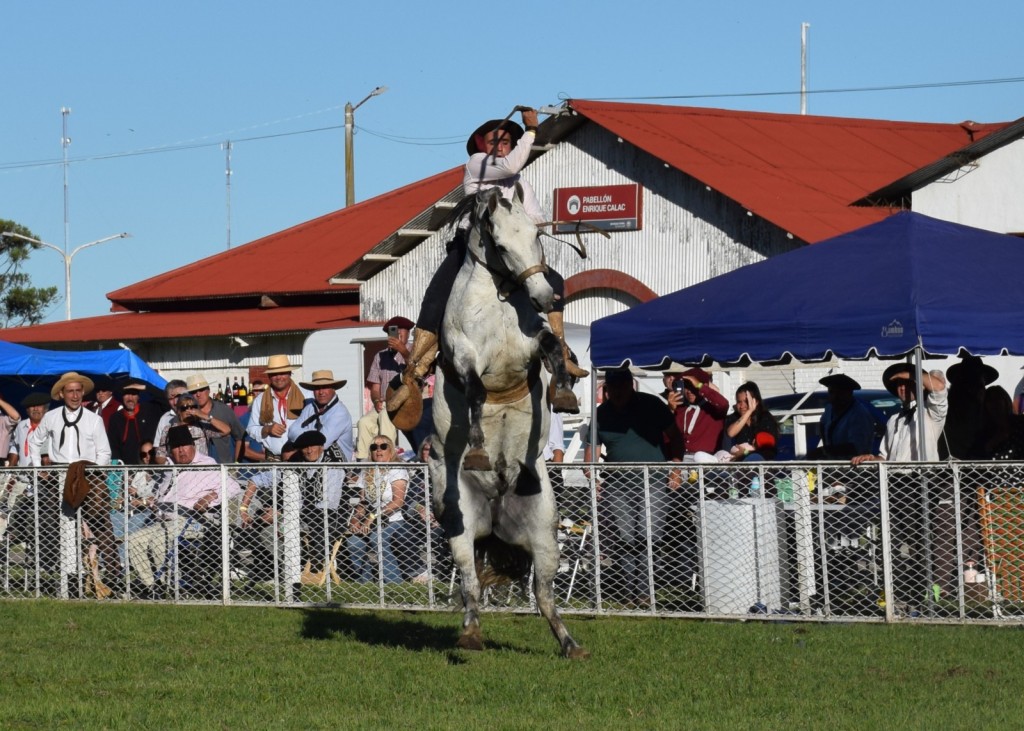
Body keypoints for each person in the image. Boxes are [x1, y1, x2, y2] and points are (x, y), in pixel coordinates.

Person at [387, 108, 587, 427]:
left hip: (510, 251)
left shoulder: (521, 186)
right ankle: (416, 370)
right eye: (495, 140)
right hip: (472, 246)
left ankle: (560, 356)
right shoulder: (477, 164)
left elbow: (534, 217)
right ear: (483, 144)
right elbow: (510, 164)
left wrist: (528, 228)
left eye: (507, 141)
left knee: (554, 281)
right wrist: (532, 130)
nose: (501, 146)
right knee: (438, 294)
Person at [583, 369, 679, 606]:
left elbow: (675, 437)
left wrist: (675, 469)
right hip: (617, 486)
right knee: (626, 538)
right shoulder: (601, 415)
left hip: (654, 481)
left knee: (650, 536)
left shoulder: (652, 404)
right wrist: (593, 477)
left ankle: (646, 592)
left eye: (619, 387)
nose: (615, 392)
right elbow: (591, 455)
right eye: (611, 388)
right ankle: (629, 592)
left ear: (630, 385)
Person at [126, 425, 242, 599]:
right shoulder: (170, 467)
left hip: (193, 520)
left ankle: (170, 589)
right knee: (133, 540)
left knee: (159, 541)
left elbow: (234, 487)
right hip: (163, 519)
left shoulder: (206, 465)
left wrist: (211, 497)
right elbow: (162, 493)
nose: (180, 451)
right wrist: (150, 501)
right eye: (176, 447)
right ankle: (152, 586)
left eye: (184, 446)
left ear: (192, 446)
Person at [28, 372, 112, 597]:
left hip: (88, 476)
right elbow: (34, 441)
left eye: (78, 391)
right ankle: (68, 585)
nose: (74, 395)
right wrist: (39, 469)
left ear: (83, 393)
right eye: (70, 391)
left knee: (92, 530)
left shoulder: (94, 419)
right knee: (66, 530)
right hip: (61, 475)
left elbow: (104, 452)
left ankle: (95, 579)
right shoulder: (51, 417)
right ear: (62, 394)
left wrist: (94, 474)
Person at [346, 434, 408, 584]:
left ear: (390, 450)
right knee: (354, 542)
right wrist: (355, 519)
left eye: (383, 446)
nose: (378, 450)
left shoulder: (397, 469)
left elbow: (397, 502)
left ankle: (394, 583)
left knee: (377, 538)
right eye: (374, 447)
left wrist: (372, 517)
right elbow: (363, 503)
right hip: (370, 520)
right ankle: (364, 582)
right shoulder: (367, 471)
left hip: (393, 520)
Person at [356, 317, 410, 459]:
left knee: (386, 416)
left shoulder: (413, 350)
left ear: (408, 333)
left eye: (400, 333)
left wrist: (403, 351)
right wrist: (375, 401)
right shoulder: (380, 356)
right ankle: (363, 462)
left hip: (407, 402)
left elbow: (417, 370)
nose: (396, 336)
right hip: (384, 402)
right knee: (364, 422)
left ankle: (389, 460)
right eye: (392, 333)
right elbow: (375, 387)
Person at [245, 355, 307, 461]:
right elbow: (251, 429)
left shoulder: (305, 396)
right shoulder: (260, 400)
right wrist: (267, 429)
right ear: (269, 376)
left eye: (282, 373)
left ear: (289, 374)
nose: (279, 377)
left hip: (301, 457)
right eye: (274, 374)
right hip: (273, 459)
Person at [289, 370, 354, 462]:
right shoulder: (309, 408)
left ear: (333, 389)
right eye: (317, 388)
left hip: (336, 466)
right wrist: (311, 436)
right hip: (309, 462)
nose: (321, 392)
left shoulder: (340, 412)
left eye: (325, 387)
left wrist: (303, 437)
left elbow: (323, 442)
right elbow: (292, 432)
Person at [941, 355, 997, 460]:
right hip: (955, 465)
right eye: (978, 385)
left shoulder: (986, 411)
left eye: (981, 385)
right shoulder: (952, 410)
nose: (981, 390)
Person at [667, 368, 729, 460]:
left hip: (706, 461)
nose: (690, 391)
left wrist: (700, 386)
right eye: (687, 387)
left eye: (693, 387)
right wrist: (670, 411)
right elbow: (667, 437)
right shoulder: (680, 410)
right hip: (681, 461)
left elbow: (724, 404)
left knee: (699, 457)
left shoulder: (713, 408)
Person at [812, 374, 876, 459]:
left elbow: (857, 448)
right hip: (833, 463)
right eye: (831, 392)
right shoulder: (829, 408)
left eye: (840, 393)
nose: (835, 396)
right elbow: (823, 425)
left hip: (854, 465)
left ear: (849, 393)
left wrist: (825, 450)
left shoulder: (859, 414)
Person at [188, 374, 246, 463]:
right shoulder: (188, 414)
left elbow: (240, 437)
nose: (198, 394)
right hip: (199, 469)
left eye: (201, 390)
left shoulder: (224, 410)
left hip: (224, 467)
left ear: (208, 390)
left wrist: (236, 464)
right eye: (194, 392)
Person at [154, 393, 227, 463]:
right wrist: (170, 464)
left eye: (193, 407)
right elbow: (160, 455)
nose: (189, 410)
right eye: (185, 407)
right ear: (179, 411)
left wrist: (205, 416)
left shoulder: (202, 426)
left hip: (201, 470)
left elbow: (226, 430)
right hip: (179, 471)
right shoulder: (168, 429)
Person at [106, 379, 161, 465]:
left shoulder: (149, 410)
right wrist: (118, 470)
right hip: (125, 469)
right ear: (122, 397)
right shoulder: (115, 418)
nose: (130, 398)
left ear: (138, 396)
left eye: (133, 394)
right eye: (127, 394)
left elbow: (165, 400)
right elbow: (113, 447)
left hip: (149, 467)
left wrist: (145, 387)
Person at [724, 381, 779, 461]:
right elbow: (731, 433)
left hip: (761, 464)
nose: (742, 406)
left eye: (746, 401)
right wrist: (749, 411)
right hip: (737, 463)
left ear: (755, 402)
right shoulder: (734, 418)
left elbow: (766, 450)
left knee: (753, 458)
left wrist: (746, 452)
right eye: (739, 402)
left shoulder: (764, 418)